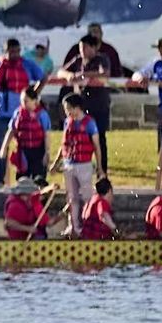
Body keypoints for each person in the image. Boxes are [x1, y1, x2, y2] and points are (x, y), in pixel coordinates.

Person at [0, 38, 44, 189]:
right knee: (1, 146)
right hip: (3, 111)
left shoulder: (26, 64)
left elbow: (42, 77)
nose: (15, 54)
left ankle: (26, 178)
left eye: (17, 51)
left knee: (26, 146)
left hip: (23, 112)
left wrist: (33, 95)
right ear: (6, 51)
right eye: (11, 51)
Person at [58, 34, 112, 175]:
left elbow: (104, 74)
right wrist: (69, 76)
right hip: (82, 106)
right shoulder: (77, 61)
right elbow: (61, 71)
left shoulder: (102, 59)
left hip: (99, 105)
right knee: (78, 137)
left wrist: (84, 75)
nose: (82, 50)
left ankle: (102, 171)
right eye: (81, 47)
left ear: (94, 47)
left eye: (86, 47)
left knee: (99, 139)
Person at [55, 93, 103, 236]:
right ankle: (74, 226)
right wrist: (56, 162)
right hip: (69, 164)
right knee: (71, 197)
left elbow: (96, 146)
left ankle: (88, 227)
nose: (67, 112)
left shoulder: (89, 123)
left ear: (77, 108)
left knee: (87, 197)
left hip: (84, 165)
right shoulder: (67, 122)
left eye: (68, 108)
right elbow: (63, 145)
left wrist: (100, 167)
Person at [0, 84, 51, 185]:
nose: (23, 103)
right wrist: (4, 148)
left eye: (26, 101)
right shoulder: (18, 113)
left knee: (38, 180)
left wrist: (47, 153)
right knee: (22, 179)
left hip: (38, 151)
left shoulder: (42, 114)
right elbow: (11, 130)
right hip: (23, 151)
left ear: (34, 100)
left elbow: (46, 135)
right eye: (22, 101)